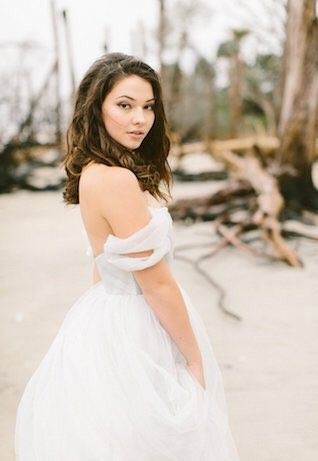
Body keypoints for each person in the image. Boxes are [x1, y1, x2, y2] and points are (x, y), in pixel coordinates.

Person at [15, 52, 240, 460]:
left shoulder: (92, 172)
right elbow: (155, 283)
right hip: (138, 318)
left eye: (148, 107)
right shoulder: (117, 180)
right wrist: (195, 362)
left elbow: (102, 262)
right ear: (95, 108)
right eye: (125, 105)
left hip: (109, 314)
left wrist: (98, 334)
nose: (140, 119)